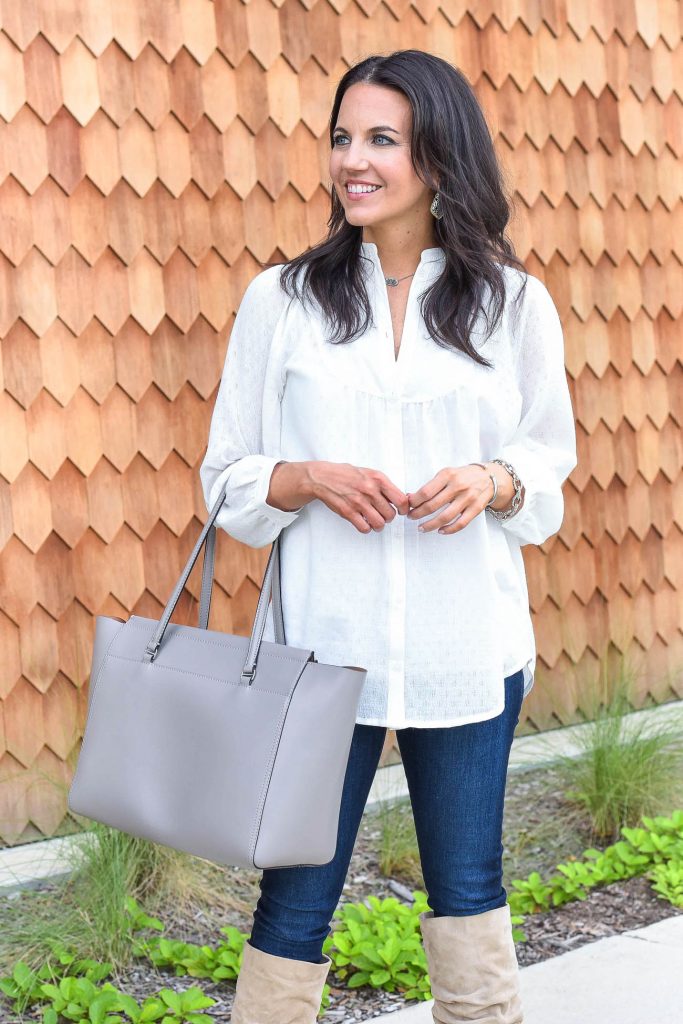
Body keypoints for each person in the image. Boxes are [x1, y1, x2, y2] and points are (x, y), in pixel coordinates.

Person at [200, 48, 577, 1024]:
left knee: (468, 881)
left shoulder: (512, 305)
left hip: (465, 642)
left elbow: (546, 470)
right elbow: (226, 482)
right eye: (341, 137)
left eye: (380, 139)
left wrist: (490, 481)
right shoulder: (280, 302)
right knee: (295, 895)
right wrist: (306, 476)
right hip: (322, 647)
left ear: (440, 160)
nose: (350, 160)